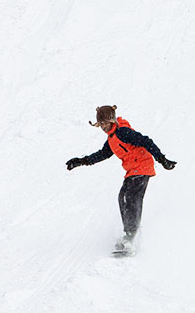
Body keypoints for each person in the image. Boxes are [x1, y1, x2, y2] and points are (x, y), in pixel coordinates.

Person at [65, 105, 176, 253]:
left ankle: (131, 237)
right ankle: (131, 233)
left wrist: (162, 160)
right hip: (133, 170)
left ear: (112, 120)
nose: (103, 127)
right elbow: (102, 154)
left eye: (105, 123)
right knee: (122, 197)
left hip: (142, 167)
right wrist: (80, 161)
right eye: (101, 124)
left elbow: (146, 141)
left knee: (130, 197)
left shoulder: (123, 132)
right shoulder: (112, 138)